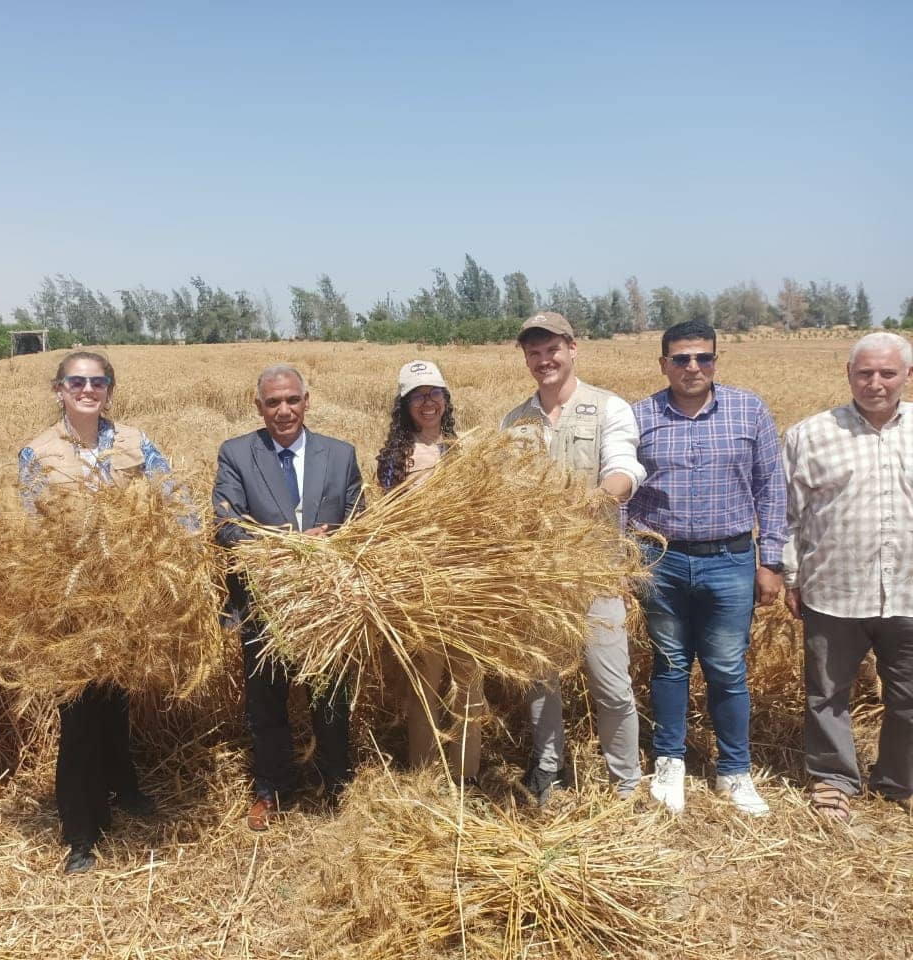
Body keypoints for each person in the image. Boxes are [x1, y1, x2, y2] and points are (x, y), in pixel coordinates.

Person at [629, 319, 786, 816]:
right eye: (681, 358)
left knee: (726, 668)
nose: (693, 367)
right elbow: (622, 492)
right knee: (670, 665)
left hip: (731, 560)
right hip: (661, 561)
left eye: (703, 357)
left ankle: (734, 771)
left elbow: (771, 489)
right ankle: (670, 762)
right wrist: (624, 556)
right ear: (663, 364)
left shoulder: (749, 410)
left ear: (716, 360)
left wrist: (772, 561)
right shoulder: (640, 417)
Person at [19, 350, 167, 874]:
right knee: (78, 713)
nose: (87, 389)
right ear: (59, 389)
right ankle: (80, 831)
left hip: (128, 598)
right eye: (76, 381)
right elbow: (31, 530)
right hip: (69, 602)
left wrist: (179, 562)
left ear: (109, 388)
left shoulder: (135, 443)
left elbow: (174, 500)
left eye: (97, 381)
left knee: (116, 701)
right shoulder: (35, 453)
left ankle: (122, 788)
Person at [213, 363, 365, 832]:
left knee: (331, 698)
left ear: (306, 401)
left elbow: (361, 521)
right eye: (273, 402)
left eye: (292, 400)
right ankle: (271, 789)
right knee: (267, 702)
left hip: (327, 603)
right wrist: (291, 544)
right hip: (263, 602)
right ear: (258, 407)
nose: (284, 410)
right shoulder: (237, 453)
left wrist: (331, 539)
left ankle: (336, 784)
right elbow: (227, 524)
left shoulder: (340, 455)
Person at [500, 313, 645, 802]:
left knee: (611, 683)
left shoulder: (609, 408)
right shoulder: (514, 422)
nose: (544, 361)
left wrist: (592, 500)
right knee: (541, 682)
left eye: (552, 350)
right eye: (534, 353)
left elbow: (624, 471)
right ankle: (548, 770)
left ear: (572, 349)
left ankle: (625, 781)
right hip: (539, 577)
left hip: (597, 571)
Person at [781, 331, 913, 823]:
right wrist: (791, 576)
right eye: (865, 373)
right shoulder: (810, 434)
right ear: (848, 374)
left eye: (886, 373)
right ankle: (834, 778)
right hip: (834, 589)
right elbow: (789, 515)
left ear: (907, 376)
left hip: (908, 590)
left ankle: (899, 779)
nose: (875, 383)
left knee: (908, 696)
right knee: (828, 692)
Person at [376, 360, 483, 785]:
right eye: (418, 395)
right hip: (419, 584)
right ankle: (423, 775)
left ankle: (465, 775)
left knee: (469, 683)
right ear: (404, 404)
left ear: (446, 399)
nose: (428, 402)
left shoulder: (466, 451)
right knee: (424, 682)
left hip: (470, 584)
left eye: (435, 393)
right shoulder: (394, 459)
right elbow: (384, 520)